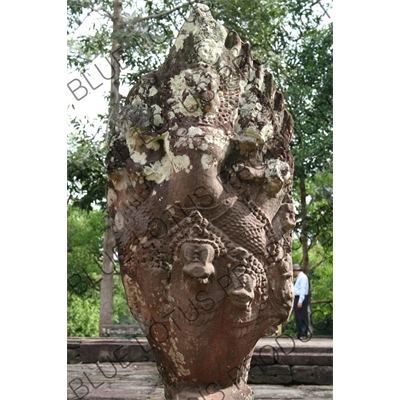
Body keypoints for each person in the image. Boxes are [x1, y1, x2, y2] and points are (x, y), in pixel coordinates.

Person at [293, 264, 309, 340]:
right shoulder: (299, 278)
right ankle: (300, 332)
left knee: (302, 316)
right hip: (297, 297)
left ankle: (303, 333)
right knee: (298, 316)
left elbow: (302, 289)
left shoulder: (302, 277)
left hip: (301, 297)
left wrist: (300, 301)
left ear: (296, 271)